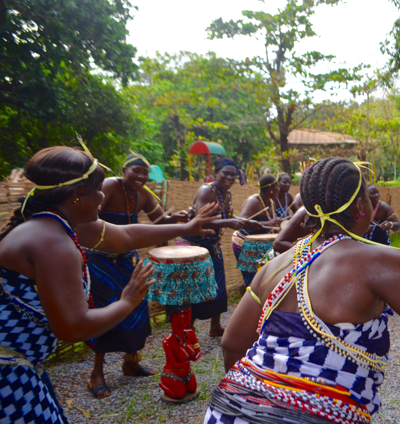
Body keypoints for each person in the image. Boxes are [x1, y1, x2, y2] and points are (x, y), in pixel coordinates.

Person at [202, 157, 400, 423]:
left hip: (228, 409)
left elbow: (233, 344)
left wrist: (259, 399)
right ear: (361, 206)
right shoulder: (376, 262)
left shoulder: (274, 268)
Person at [0, 147, 217, 423]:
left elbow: (124, 235)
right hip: (9, 373)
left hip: (22, 364)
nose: (103, 196)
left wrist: (185, 228)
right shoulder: (53, 244)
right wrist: (127, 301)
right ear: (77, 194)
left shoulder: (55, 223)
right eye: (97, 190)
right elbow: (73, 327)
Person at [81, 152, 189, 399]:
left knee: (136, 308)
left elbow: (160, 221)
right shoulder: (109, 186)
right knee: (106, 311)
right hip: (99, 260)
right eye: (136, 171)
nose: (141, 177)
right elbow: (88, 218)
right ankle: (96, 373)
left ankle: (130, 363)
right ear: (123, 170)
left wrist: (177, 219)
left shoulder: (143, 195)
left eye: (145, 173)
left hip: (127, 259)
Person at [170, 158, 261, 337]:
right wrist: (233, 222)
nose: (229, 177)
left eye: (232, 174)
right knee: (195, 287)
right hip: (194, 246)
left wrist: (246, 222)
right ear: (215, 174)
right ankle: (190, 327)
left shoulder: (226, 193)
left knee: (218, 285)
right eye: (225, 173)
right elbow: (201, 219)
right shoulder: (206, 191)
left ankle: (215, 326)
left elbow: (227, 214)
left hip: (211, 244)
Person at [232, 174, 282, 287]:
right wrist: (267, 223)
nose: (279, 189)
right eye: (277, 186)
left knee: (263, 278)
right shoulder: (253, 201)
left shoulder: (271, 203)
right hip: (244, 242)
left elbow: (269, 225)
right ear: (270, 189)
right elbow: (241, 223)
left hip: (258, 245)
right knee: (253, 280)